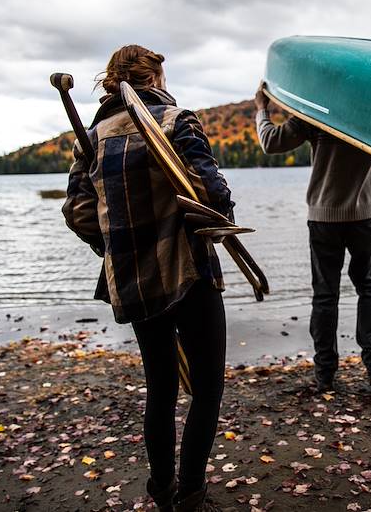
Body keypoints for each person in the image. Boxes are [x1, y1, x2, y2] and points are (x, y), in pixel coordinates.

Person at [63, 45, 231, 512]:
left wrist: (111, 245)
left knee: (160, 386)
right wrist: (220, 219)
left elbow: (78, 212)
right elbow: (212, 192)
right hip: (188, 270)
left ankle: (162, 489)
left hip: (134, 276)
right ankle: (191, 492)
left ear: (111, 81)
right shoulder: (178, 120)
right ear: (155, 77)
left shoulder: (91, 137)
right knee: (206, 387)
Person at [253, 83, 371, 393]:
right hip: (364, 215)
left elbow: (270, 143)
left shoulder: (315, 113)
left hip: (324, 217)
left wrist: (262, 109)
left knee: (326, 295)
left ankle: (325, 373)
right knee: (369, 288)